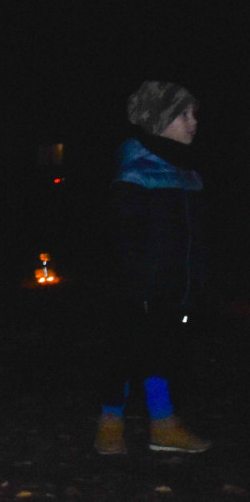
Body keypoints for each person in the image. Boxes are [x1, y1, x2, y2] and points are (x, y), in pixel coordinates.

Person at [95, 82, 212, 455]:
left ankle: (163, 425)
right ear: (161, 120)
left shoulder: (188, 174)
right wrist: (134, 284)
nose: (193, 122)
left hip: (176, 289)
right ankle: (110, 424)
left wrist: (197, 282)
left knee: (166, 351)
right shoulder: (135, 173)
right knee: (125, 351)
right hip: (137, 289)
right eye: (184, 114)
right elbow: (120, 237)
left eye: (194, 114)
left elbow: (196, 237)